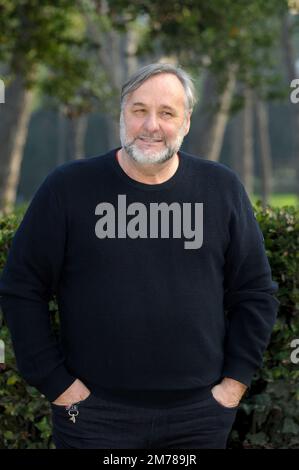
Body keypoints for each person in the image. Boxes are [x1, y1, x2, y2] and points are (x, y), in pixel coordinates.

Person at [0, 63, 279, 449]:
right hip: (92, 416)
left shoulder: (221, 189)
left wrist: (232, 386)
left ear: (186, 121)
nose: (151, 125)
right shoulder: (68, 188)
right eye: (139, 110)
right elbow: (21, 287)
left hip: (198, 418)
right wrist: (57, 385)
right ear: (122, 114)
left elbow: (255, 293)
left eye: (166, 113)